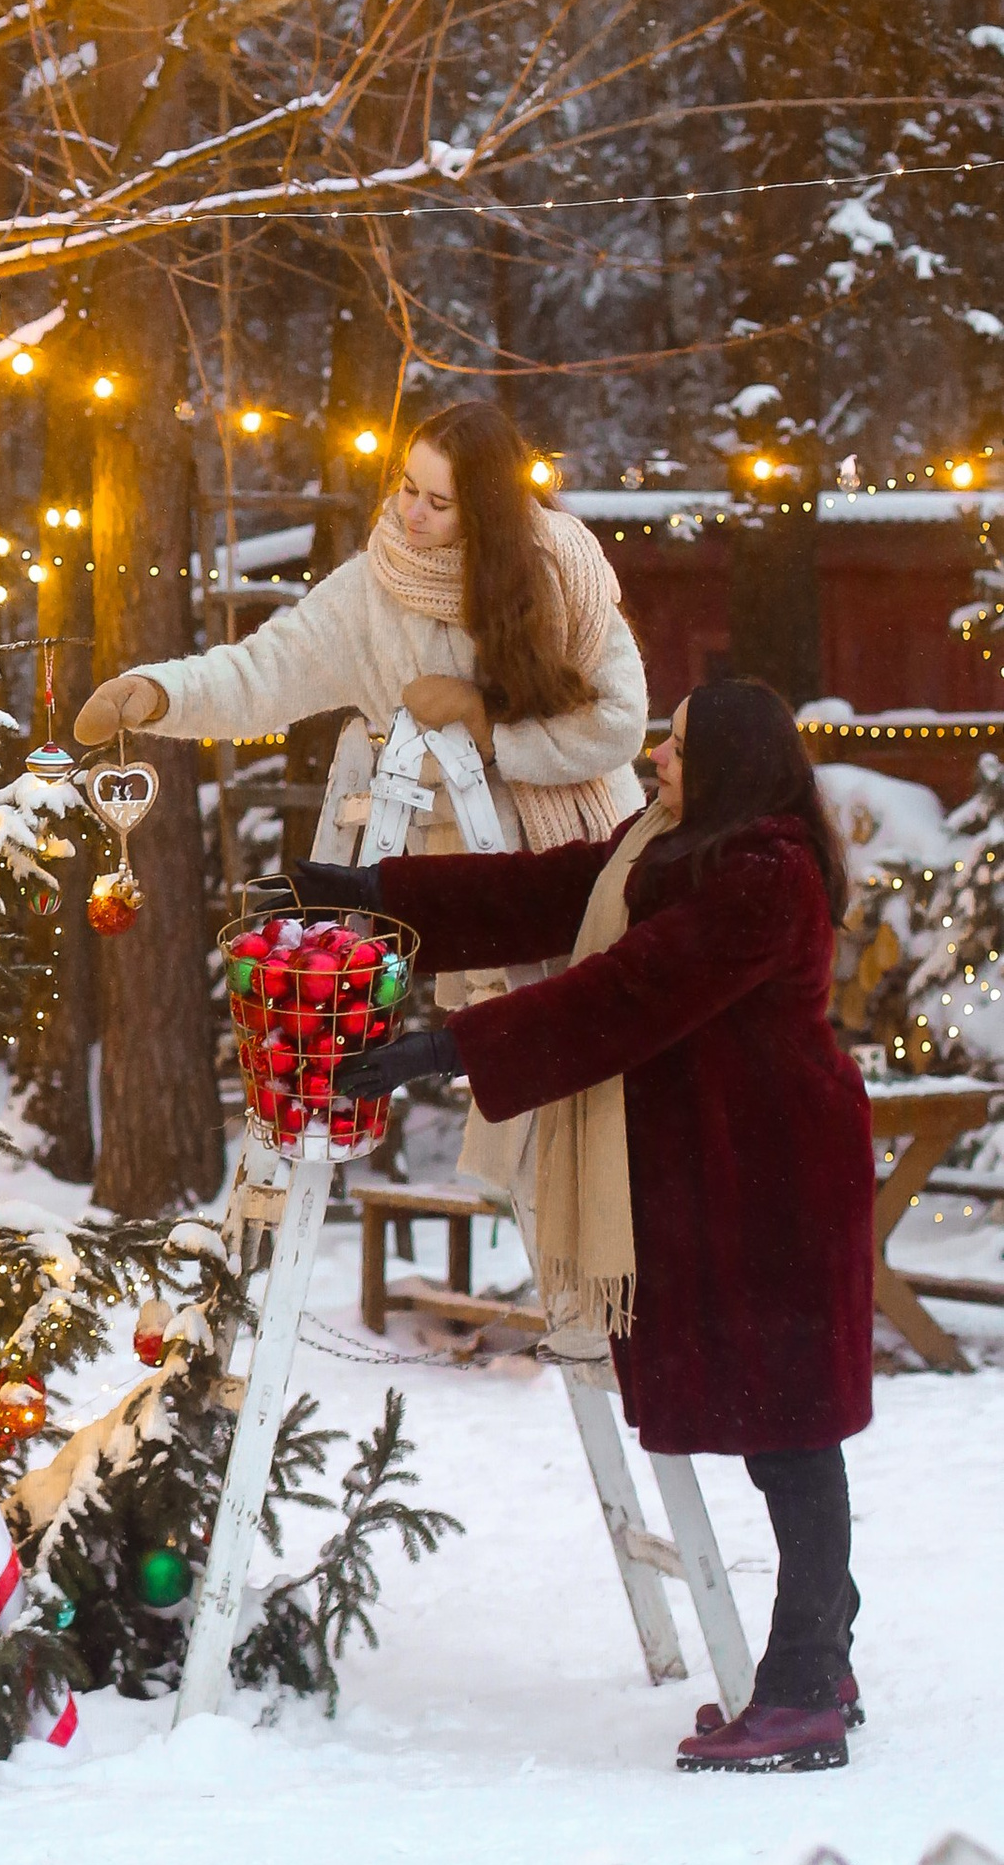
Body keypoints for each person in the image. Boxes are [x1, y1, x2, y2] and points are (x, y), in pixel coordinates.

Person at [313, 678, 875, 1775]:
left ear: (725, 764)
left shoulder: (766, 875)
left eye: (673, 746)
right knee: (781, 1430)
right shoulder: (668, 845)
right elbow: (549, 891)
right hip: (722, 1175)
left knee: (793, 1434)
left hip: (777, 1183)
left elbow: (627, 990)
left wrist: (449, 1050)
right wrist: (373, 891)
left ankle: (808, 1684)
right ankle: (824, 1655)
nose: (657, 759)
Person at [73, 397, 649, 866]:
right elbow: (262, 675)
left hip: (596, 858)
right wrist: (157, 693)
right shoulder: (372, 591)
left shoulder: (562, 564)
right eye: (408, 488)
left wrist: (489, 732)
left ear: (485, 510)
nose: (413, 513)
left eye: (439, 502)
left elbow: (619, 722)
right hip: (474, 889)